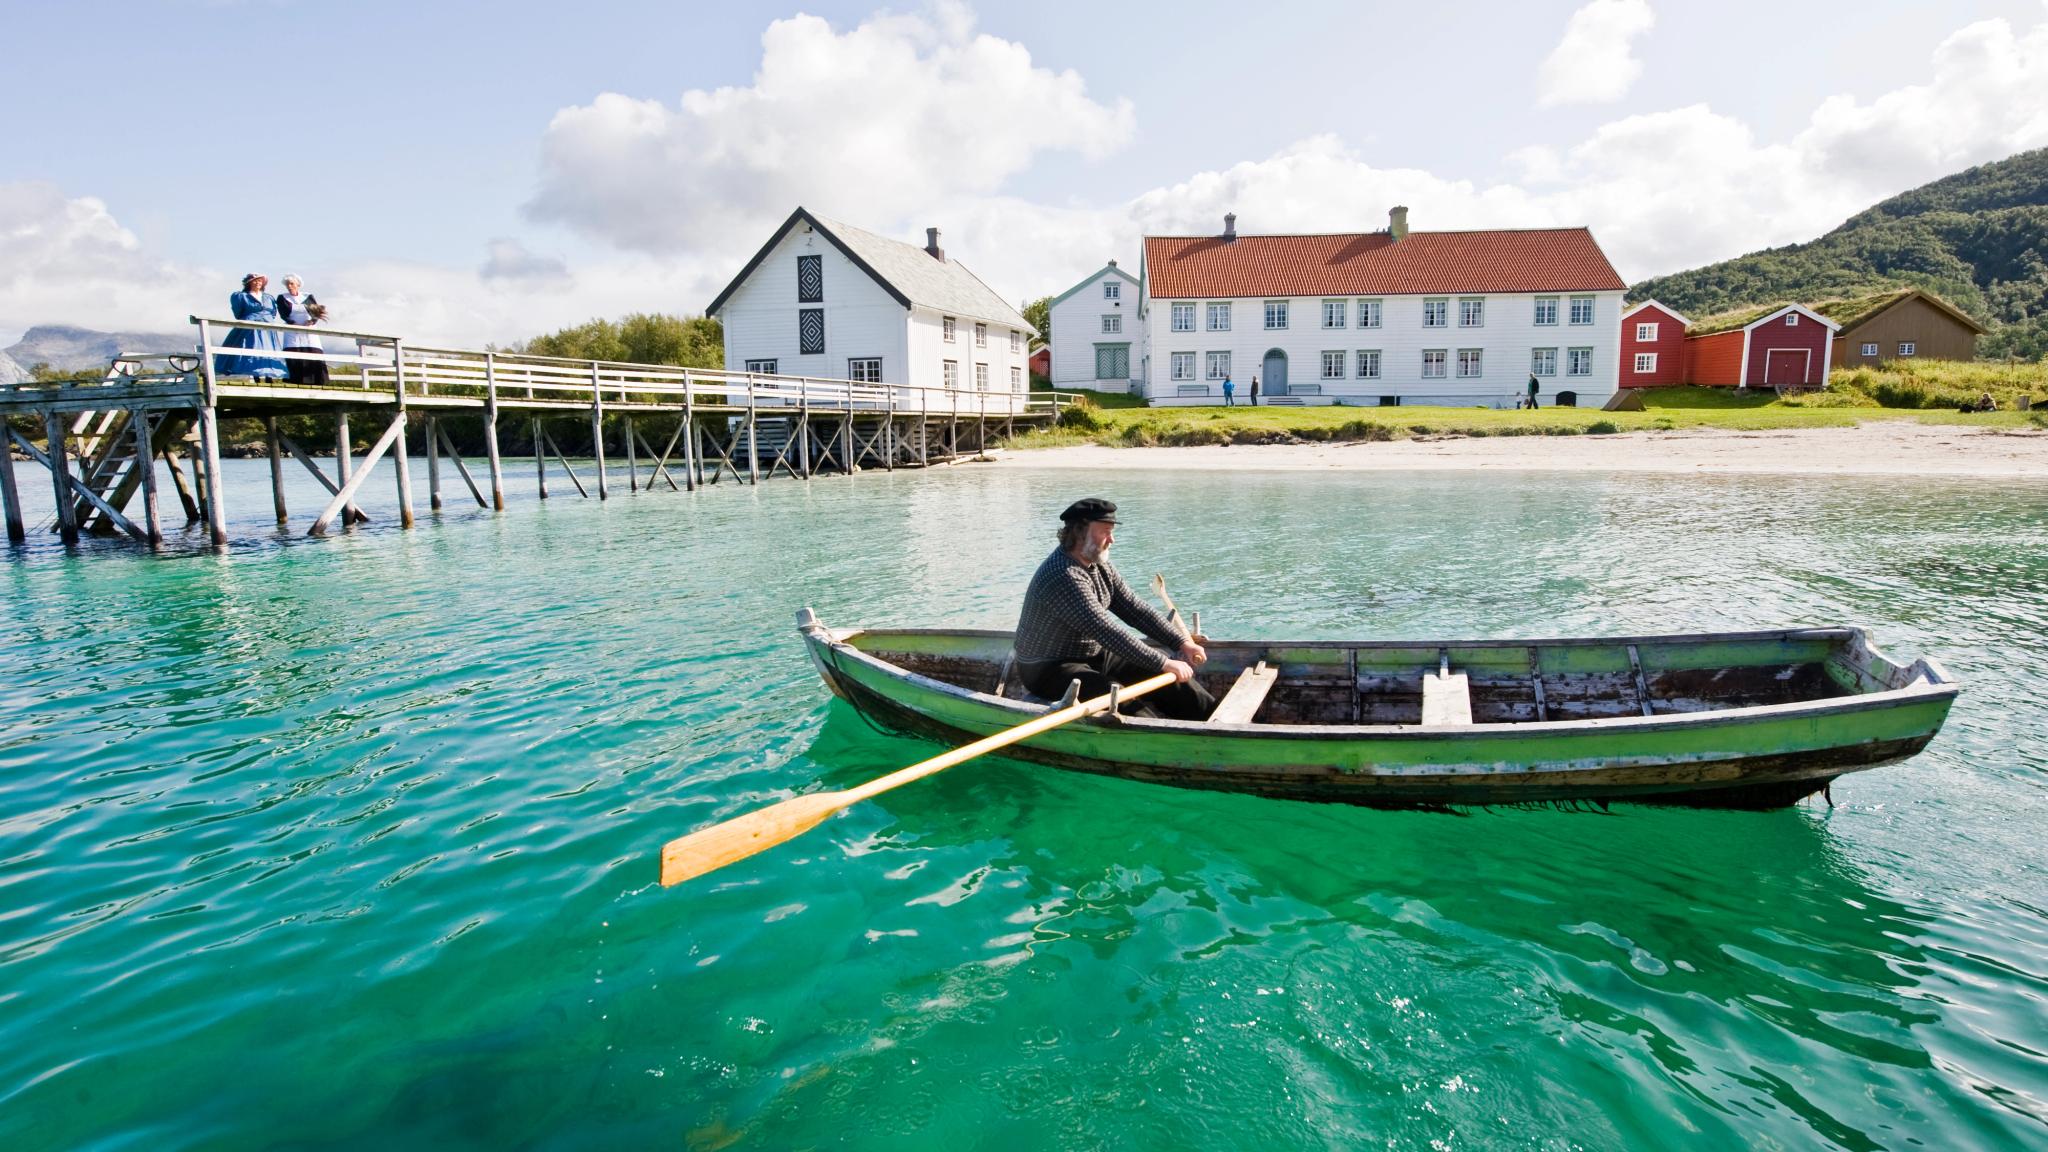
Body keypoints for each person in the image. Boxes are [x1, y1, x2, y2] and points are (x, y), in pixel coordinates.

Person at [1012, 498, 1216, 721]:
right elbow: (1105, 630)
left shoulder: (1099, 565)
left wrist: (1181, 643)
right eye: (1105, 532)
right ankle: (1160, 734)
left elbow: (1135, 609)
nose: (1112, 540)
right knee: (1117, 695)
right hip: (1048, 667)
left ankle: (1217, 720)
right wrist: (1165, 663)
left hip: (1092, 653)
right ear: (1080, 533)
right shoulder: (1063, 576)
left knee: (1163, 672)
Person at [218, 274, 286, 380]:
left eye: (259, 281)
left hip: (267, 327)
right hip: (251, 326)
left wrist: (266, 319)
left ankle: (269, 376)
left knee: (268, 349)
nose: (257, 283)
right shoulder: (242, 296)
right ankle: (256, 376)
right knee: (252, 348)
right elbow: (238, 313)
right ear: (248, 283)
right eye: (254, 281)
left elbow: (273, 312)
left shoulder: (268, 297)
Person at [275, 275, 329, 387]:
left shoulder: (307, 296)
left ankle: (317, 381)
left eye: (292, 284)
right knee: (294, 353)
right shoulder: (282, 297)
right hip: (292, 330)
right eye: (287, 284)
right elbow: (283, 313)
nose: (289, 286)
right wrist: (291, 323)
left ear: (298, 285)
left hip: (308, 329)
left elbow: (316, 312)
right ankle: (295, 382)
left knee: (313, 352)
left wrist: (312, 321)